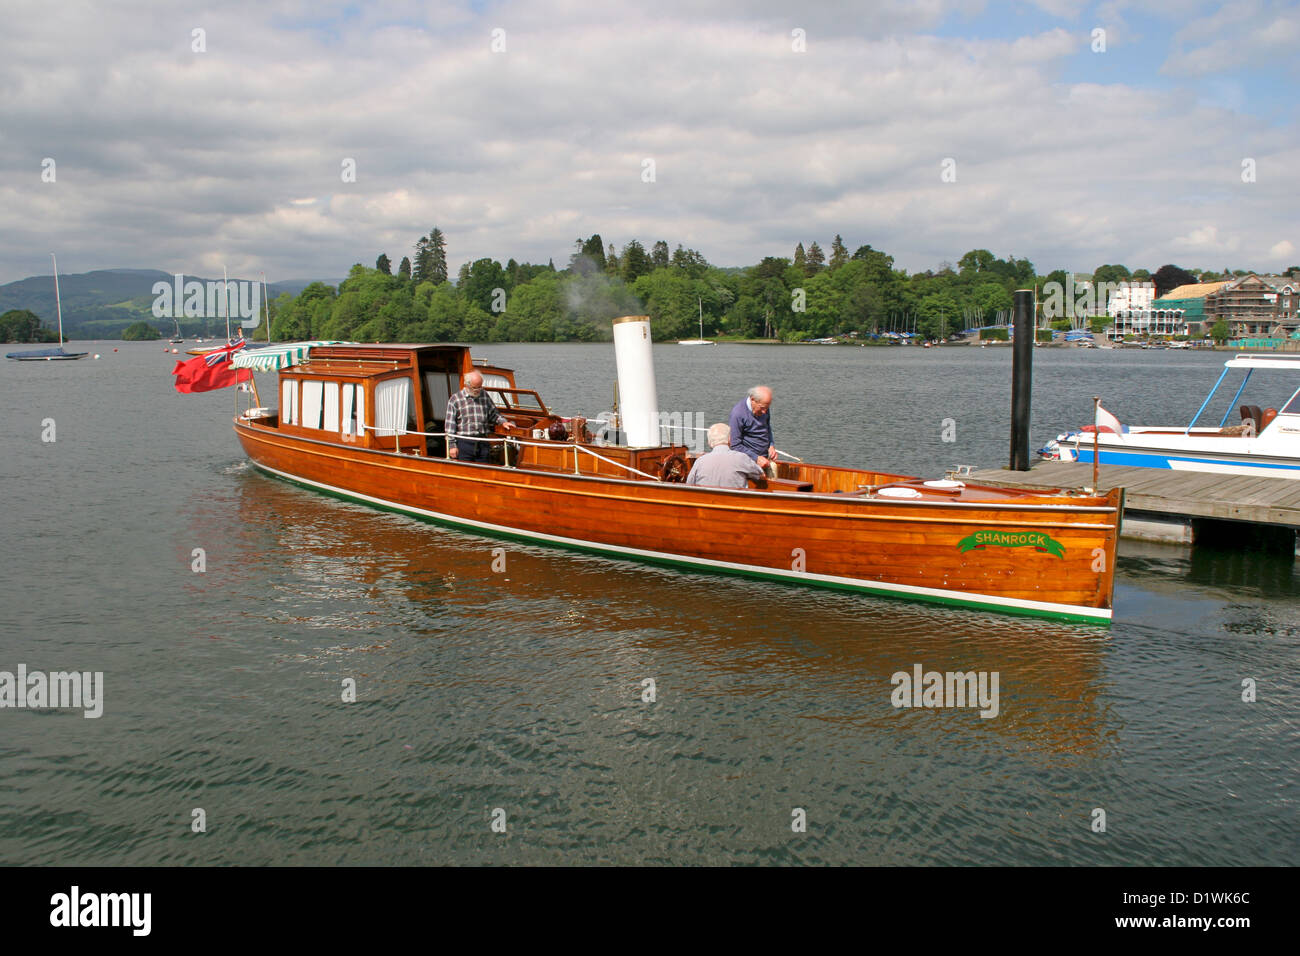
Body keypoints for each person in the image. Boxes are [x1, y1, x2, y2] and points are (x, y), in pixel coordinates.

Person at [446, 370, 515, 462]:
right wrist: (452, 446)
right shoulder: (455, 399)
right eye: (475, 388)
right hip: (464, 443)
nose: (478, 390)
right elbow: (450, 426)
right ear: (467, 385)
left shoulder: (484, 395)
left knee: (484, 470)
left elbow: (494, 414)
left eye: (480, 387)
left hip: (482, 442)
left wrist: (503, 422)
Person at [686, 423, 765, 489]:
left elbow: (689, 485)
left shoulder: (700, 461)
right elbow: (761, 474)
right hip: (735, 505)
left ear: (709, 443)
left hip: (705, 505)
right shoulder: (741, 458)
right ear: (729, 439)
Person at [728, 385, 777, 469]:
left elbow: (767, 428)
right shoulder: (738, 414)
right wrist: (756, 458)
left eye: (767, 408)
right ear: (752, 399)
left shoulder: (764, 407)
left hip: (764, 460)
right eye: (762, 408)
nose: (764, 412)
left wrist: (771, 446)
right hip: (747, 463)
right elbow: (735, 445)